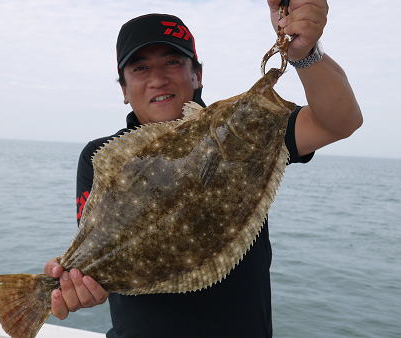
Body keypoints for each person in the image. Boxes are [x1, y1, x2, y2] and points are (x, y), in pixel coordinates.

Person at [44, 1, 362, 337]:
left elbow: (340, 122)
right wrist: (76, 285)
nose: (158, 79)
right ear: (124, 89)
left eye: (172, 62)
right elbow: (102, 254)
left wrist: (303, 53)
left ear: (197, 74)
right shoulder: (99, 155)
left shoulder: (249, 130)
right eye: (140, 69)